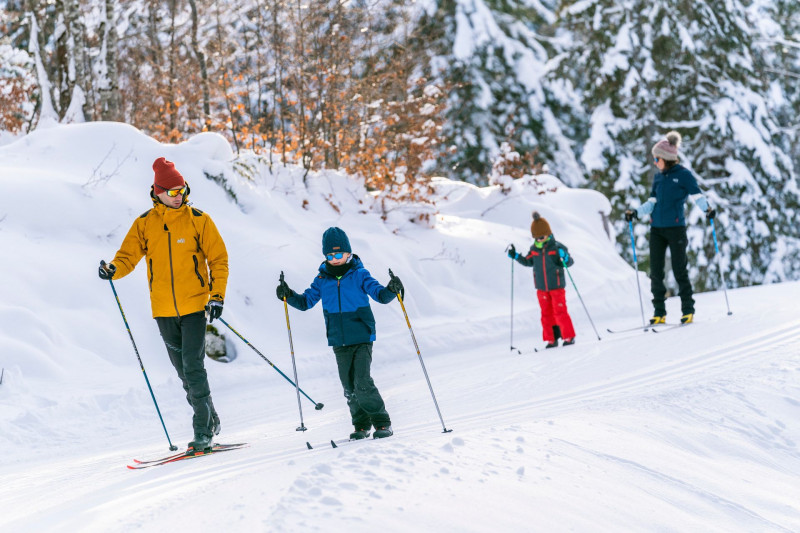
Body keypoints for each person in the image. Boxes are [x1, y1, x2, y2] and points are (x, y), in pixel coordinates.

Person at [99, 157, 229, 452]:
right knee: (184, 373)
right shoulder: (145, 224)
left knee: (193, 368)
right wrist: (113, 270)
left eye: (182, 190)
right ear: (157, 191)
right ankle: (211, 418)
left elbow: (218, 260)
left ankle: (202, 431)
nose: (178, 196)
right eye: (172, 192)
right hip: (163, 310)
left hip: (195, 307)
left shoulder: (199, 220)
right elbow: (127, 256)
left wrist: (216, 296)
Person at [276, 227, 403, 440]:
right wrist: (288, 295)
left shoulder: (360, 274)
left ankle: (382, 422)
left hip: (361, 335)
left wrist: (391, 289)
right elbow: (306, 302)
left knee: (362, 382)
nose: (334, 259)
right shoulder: (322, 279)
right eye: (329, 255)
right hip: (338, 338)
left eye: (338, 254)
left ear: (348, 253)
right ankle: (361, 425)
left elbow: (380, 295)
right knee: (349, 387)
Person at [625, 131, 714, 325]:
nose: (655, 162)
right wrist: (636, 213)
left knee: (679, 269)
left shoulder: (683, 175)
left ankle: (687, 310)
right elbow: (651, 203)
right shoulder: (658, 178)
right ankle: (659, 312)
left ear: (666, 158)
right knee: (656, 272)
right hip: (657, 229)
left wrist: (707, 210)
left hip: (675, 229)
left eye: (657, 158)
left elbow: (697, 196)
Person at [507, 211, 576, 349]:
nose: (540, 240)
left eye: (542, 236)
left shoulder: (557, 247)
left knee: (560, 311)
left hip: (556, 286)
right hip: (541, 288)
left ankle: (568, 336)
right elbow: (528, 262)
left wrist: (565, 258)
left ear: (548, 233)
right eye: (537, 238)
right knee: (546, 314)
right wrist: (516, 256)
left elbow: (569, 263)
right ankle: (551, 339)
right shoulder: (534, 250)